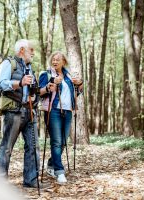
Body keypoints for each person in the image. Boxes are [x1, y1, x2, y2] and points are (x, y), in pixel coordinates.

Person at [0, 39, 49, 189]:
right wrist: (20, 82)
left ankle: (31, 180)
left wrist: (44, 90)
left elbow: (34, 91)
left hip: (30, 111)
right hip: (14, 112)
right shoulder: (9, 63)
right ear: (21, 50)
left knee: (33, 147)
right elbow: (2, 83)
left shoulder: (30, 68)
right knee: (6, 147)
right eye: (30, 50)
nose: (33, 53)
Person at [39, 51, 83, 184]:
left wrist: (80, 84)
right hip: (53, 110)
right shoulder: (45, 74)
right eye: (53, 59)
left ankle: (51, 164)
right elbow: (39, 92)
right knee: (56, 142)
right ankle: (60, 172)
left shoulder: (68, 75)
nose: (55, 61)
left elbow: (77, 92)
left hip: (68, 111)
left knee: (63, 142)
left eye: (58, 59)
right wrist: (52, 84)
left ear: (64, 61)